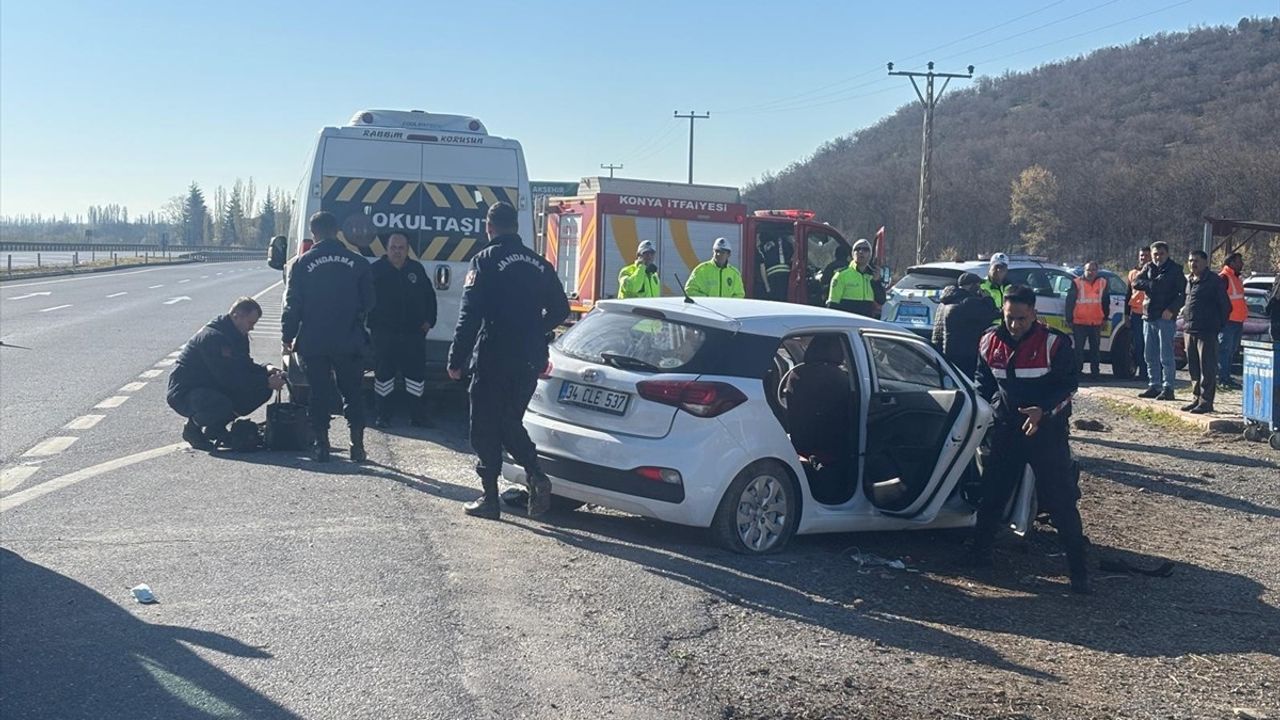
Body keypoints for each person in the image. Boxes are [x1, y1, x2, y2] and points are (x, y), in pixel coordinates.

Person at [448, 202, 570, 520]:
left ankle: (491, 499)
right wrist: (533, 330)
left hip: (494, 354)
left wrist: (456, 359)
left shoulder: (485, 261)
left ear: (489, 228)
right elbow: (561, 310)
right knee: (508, 421)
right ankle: (535, 475)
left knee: (484, 426)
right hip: (529, 357)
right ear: (515, 227)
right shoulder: (539, 264)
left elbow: (469, 316)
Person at [972, 285, 1088, 593]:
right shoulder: (989, 340)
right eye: (1010, 317)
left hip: (1046, 433)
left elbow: (1069, 388)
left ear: (1034, 314)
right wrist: (986, 413)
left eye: (1022, 318)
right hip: (1008, 430)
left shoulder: (1054, 343)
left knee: (1062, 502)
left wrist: (1044, 413)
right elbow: (982, 383)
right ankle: (977, 555)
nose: (1015, 324)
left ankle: (1080, 574)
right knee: (993, 494)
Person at [282, 211, 375, 463]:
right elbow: (370, 302)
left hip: (314, 340)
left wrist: (287, 335)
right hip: (348, 338)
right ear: (337, 231)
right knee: (352, 392)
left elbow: (293, 304)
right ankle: (358, 446)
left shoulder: (301, 264)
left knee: (319, 393)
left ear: (314, 233)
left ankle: (321, 446)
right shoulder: (358, 262)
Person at [168, 297, 286, 450]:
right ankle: (192, 429)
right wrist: (266, 381)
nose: (252, 328)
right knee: (221, 404)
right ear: (237, 316)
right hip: (186, 392)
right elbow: (229, 379)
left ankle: (215, 427)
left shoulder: (238, 335)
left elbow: (244, 366)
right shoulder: (213, 338)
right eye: (251, 323)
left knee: (261, 391)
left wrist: (267, 369)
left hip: (210, 386)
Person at [369, 232, 438, 428]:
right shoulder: (376, 270)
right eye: (393, 248)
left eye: (401, 248)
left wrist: (429, 322)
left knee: (415, 376)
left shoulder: (416, 269)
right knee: (384, 375)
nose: (397, 252)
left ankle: (417, 416)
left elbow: (430, 297)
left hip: (413, 333)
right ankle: (383, 415)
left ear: (407, 250)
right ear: (386, 249)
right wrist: (370, 323)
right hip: (384, 333)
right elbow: (364, 299)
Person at [1133, 241, 1185, 401]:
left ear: (1167, 254)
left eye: (1161, 253)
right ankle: (1154, 384)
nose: (1158, 257)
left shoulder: (1175, 270)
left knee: (1166, 355)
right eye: (1155, 254)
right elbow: (1136, 282)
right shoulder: (1148, 267)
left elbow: (1183, 294)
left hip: (1166, 318)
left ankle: (1168, 387)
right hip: (1149, 316)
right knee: (1149, 354)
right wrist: (1151, 284)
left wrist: (1172, 310)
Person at [1181, 250, 1231, 414]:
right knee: (1193, 368)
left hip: (1207, 332)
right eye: (1190, 260)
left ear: (1205, 262)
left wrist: (1217, 326)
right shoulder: (1190, 280)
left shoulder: (1214, 281)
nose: (1192, 264)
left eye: (1196, 260)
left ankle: (1206, 401)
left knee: (1207, 368)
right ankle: (1196, 398)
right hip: (1190, 330)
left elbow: (1226, 306)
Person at [931, 272, 1000, 378]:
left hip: (945, 354)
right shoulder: (967, 302)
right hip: (965, 355)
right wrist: (988, 298)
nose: (979, 288)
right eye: (978, 285)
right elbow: (990, 314)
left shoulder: (944, 302)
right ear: (972, 285)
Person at [1065, 261, 1111, 378]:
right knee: (1079, 350)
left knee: (1095, 350)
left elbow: (1106, 301)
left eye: (1093, 270)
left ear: (1097, 271)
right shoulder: (1076, 283)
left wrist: (1105, 317)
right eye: (1088, 270)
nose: (1091, 272)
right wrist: (1069, 319)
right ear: (1084, 270)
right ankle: (1078, 372)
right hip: (1079, 322)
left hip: (1096, 321)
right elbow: (1069, 302)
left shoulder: (1102, 283)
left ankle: (1095, 373)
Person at [826, 238, 886, 318]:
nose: (861, 252)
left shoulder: (873, 276)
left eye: (865, 249)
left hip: (866, 324)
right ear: (853, 254)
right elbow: (832, 305)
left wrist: (876, 281)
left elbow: (881, 300)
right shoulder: (841, 275)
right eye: (857, 249)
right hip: (848, 324)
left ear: (870, 254)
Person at [1217, 253, 1247, 390]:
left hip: (1237, 320)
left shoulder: (1235, 278)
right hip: (1228, 322)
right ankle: (1222, 378)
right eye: (1239, 261)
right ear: (1232, 262)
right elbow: (1218, 300)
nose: (1242, 264)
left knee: (1231, 351)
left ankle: (1226, 377)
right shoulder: (1224, 277)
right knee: (1224, 351)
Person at [1125, 246, 1152, 382]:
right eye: (1142, 255)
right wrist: (1126, 315)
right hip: (1136, 315)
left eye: (1146, 255)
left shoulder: (1155, 272)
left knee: (1150, 345)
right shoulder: (1132, 273)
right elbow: (1128, 294)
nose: (1144, 258)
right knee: (1138, 344)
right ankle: (1141, 372)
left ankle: (1149, 372)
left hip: (1150, 314)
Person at [757, 232, 793, 301]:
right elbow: (794, 257)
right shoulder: (786, 242)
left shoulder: (762, 247)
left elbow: (762, 267)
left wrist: (767, 287)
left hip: (773, 277)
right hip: (786, 276)